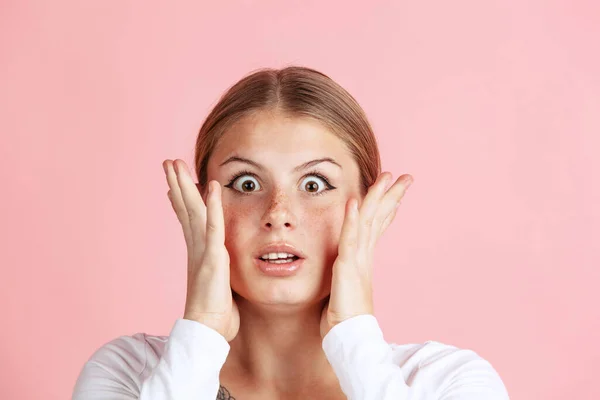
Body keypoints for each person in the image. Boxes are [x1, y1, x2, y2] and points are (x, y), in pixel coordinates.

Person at [72, 66, 510, 400]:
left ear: (370, 206)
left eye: (314, 184)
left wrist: (354, 335)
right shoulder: (129, 373)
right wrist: (201, 331)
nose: (278, 214)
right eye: (246, 183)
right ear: (203, 205)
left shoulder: (445, 382)